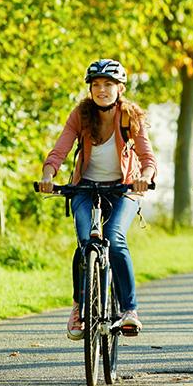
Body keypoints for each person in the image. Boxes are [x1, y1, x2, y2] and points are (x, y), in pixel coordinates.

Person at [36, 59, 157, 339]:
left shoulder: (130, 117)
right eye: (96, 85)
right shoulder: (81, 114)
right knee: (85, 241)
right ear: (90, 89)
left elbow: (147, 158)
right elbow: (60, 150)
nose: (101, 90)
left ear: (120, 88)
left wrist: (145, 176)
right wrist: (47, 175)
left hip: (124, 188)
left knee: (114, 238)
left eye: (108, 84)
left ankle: (129, 310)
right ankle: (80, 306)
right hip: (86, 188)